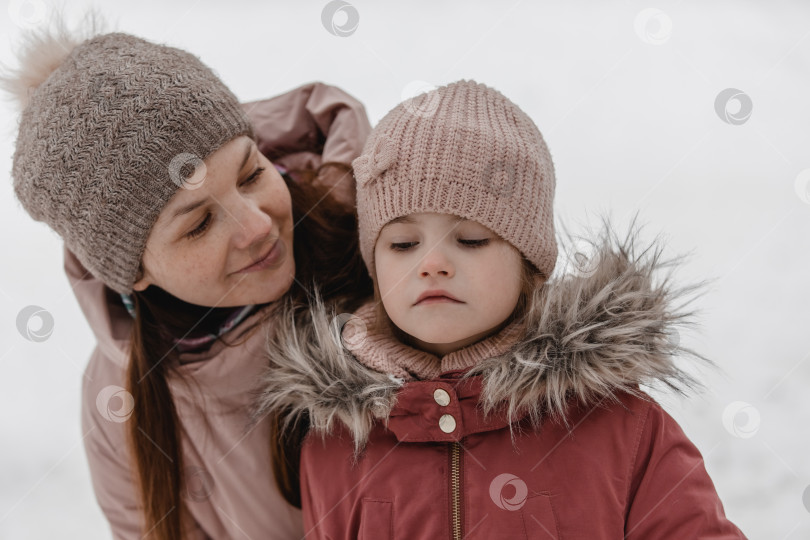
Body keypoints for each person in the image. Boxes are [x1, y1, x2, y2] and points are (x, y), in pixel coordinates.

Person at [255, 80, 748, 538]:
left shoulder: (621, 426)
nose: (432, 263)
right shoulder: (337, 442)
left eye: (470, 239)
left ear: (528, 266)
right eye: (403, 243)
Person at [2, 11, 373, 540]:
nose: (257, 225)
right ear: (133, 274)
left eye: (250, 172)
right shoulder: (123, 406)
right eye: (199, 224)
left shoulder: (387, 238)